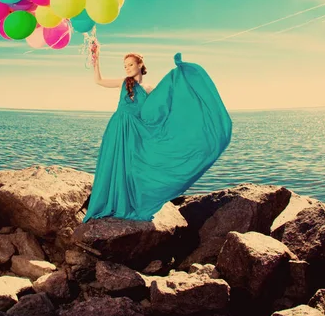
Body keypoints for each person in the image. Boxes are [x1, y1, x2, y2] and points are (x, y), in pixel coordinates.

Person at [82, 42, 233, 223]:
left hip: (137, 131)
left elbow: (167, 103)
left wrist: (181, 76)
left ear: (140, 65)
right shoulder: (124, 83)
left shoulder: (150, 89)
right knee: (114, 164)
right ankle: (110, 202)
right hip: (118, 127)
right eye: (125, 66)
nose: (127, 68)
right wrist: (96, 58)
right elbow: (99, 81)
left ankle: (130, 202)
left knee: (133, 167)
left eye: (130, 64)